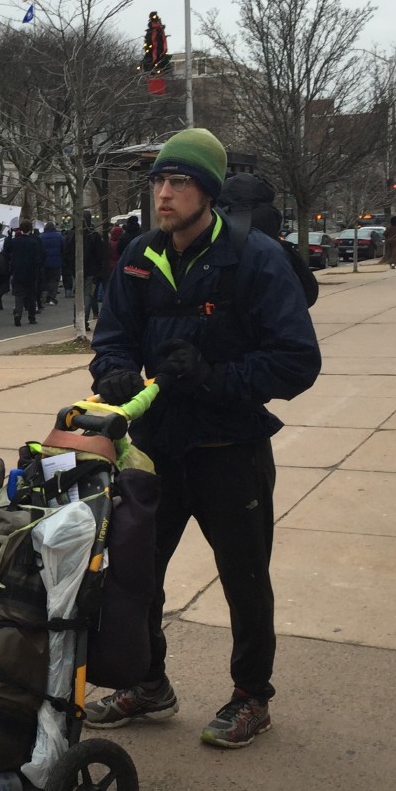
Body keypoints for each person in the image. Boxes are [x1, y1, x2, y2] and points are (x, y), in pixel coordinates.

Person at [85, 127, 321, 748]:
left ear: (208, 193)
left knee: (244, 579)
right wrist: (110, 368)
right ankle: (149, 683)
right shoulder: (138, 255)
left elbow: (297, 361)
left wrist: (216, 379)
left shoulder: (255, 259)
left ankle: (251, 696)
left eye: (179, 181)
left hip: (230, 451)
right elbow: (112, 333)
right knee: (133, 577)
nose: (164, 193)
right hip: (156, 453)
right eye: (159, 180)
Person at [9, 221, 44, 326]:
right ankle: (31, 317)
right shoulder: (34, 242)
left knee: (19, 294)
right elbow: (39, 258)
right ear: (30, 229)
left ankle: (18, 314)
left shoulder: (14, 241)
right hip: (31, 271)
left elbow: (9, 255)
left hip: (18, 270)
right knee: (31, 295)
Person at [40, 221, 65, 304]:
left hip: (44, 263)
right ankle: (51, 298)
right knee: (54, 280)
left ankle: (45, 294)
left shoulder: (41, 237)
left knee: (45, 280)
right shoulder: (59, 236)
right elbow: (63, 248)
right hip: (56, 262)